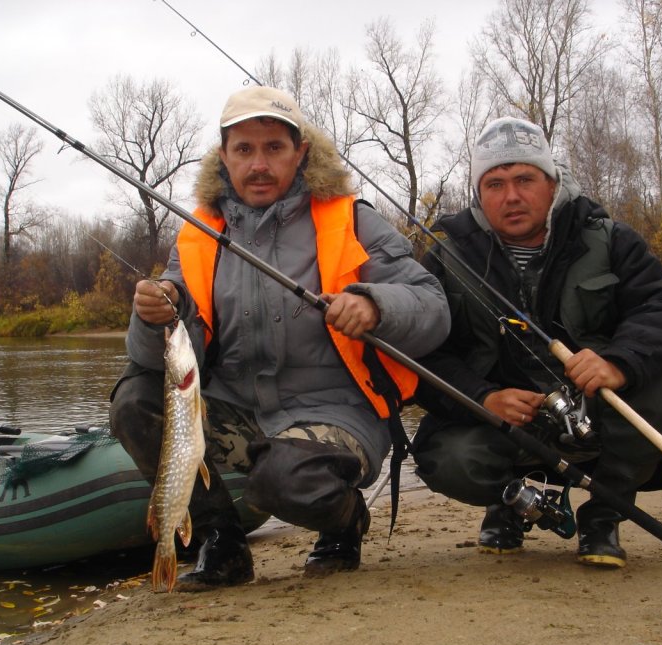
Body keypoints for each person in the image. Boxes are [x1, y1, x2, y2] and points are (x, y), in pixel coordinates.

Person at [110, 86, 450, 589]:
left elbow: (433, 307)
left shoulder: (352, 219)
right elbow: (152, 359)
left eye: (274, 148)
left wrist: (376, 305)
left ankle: (345, 521)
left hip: (337, 412)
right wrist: (154, 313)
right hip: (237, 407)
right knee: (134, 399)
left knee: (282, 483)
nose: (259, 165)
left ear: (301, 152)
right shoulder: (198, 234)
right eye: (244, 150)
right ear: (224, 157)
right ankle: (220, 542)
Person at [412, 116, 662, 568]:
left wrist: (620, 361)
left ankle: (604, 514)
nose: (512, 196)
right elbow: (426, 355)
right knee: (445, 457)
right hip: (504, 422)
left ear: (552, 181)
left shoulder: (611, 238)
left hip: (598, 409)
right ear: (478, 193)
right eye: (494, 183)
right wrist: (484, 398)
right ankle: (510, 502)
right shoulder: (445, 258)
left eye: (525, 179)